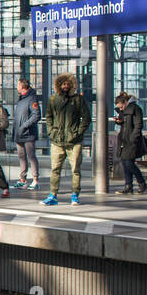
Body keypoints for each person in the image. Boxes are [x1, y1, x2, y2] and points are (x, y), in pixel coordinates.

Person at [43, 72, 90, 205]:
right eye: (63, 83)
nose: (65, 86)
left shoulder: (78, 100)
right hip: (57, 141)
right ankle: (53, 195)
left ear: (71, 85)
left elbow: (86, 118)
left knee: (75, 169)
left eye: (67, 84)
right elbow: (48, 117)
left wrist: (77, 133)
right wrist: (51, 132)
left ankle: (75, 194)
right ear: (59, 84)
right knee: (55, 169)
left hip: (74, 141)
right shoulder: (53, 99)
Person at [113, 92, 147, 195]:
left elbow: (138, 125)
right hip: (124, 139)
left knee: (128, 162)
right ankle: (128, 185)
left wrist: (133, 138)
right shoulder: (125, 110)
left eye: (121, 107)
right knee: (125, 163)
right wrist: (118, 121)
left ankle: (141, 183)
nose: (120, 109)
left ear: (125, 102)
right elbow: (124, 123)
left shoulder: (136, 109)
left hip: (131, 140)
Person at [11, 79, 42, 190]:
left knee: (31, 156)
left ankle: (35, 180)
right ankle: (23, 180)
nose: (16, 87)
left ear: (22, 86)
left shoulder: (31, 99)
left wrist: (24, 126)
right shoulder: (21, 99)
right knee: (21, 157)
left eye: (17, 85)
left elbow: (36, 115)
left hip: (28, 134)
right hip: (19, 134)